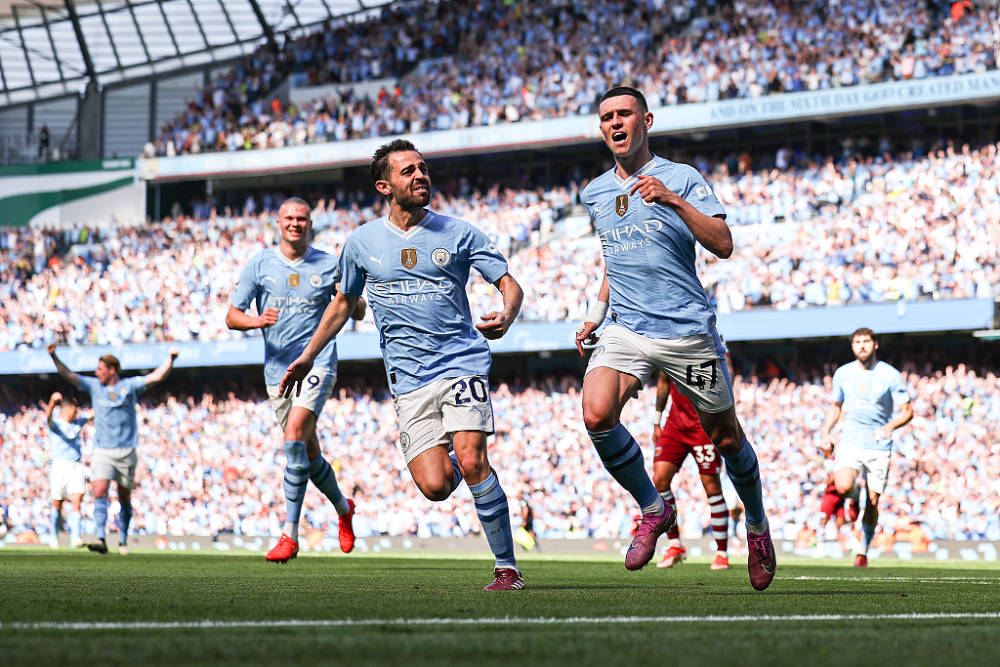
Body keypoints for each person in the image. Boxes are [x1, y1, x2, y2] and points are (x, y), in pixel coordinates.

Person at [280, 139, 526, 591]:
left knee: (474, 461)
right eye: (407, 171)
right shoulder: (361, 243)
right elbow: (344, 303)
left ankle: (506, 567)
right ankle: (458, 459)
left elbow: (509, 284)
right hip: (408, 379)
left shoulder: (459, 232)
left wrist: (507, 314)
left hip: (461, 362)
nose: (420, 176)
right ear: (384, 186)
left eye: (423, 168)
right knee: (435, 486)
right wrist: (308, 355)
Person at [575, 86, 775, 590]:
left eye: (624, 114)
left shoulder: (682, 177)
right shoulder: (595, 192)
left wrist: (672, 199)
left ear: (646, 121)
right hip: (626, 328)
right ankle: (653, 507)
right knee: (596, 414)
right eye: (606, 117)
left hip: (685, 331)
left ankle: (756, 523)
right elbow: (614, 258)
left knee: (726, 438)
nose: (615, 123)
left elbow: (723, 244)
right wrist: (596, 314)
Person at [227, 197, 363, 563]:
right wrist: (256, 321)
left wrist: (350, 299)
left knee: (293, 438)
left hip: (317, 363)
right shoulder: (260, 264)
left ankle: (290, 534)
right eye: (289, 217)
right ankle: (343, 507)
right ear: (278, 222)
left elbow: (355, 307)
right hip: (278, 372)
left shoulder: (329, 263)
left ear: (310, 224)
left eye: (301, 218)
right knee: (307, 452)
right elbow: (232, 316)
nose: (295, 223)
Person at [48, 343, 179, 554]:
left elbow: (155, 377)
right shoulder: (94, 386)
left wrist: (171, 360)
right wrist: (54, 356)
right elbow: (68, 375)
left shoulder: (130, 386)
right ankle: (101, 538)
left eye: (100, 369)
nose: (96, 372)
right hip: (102, 450)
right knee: (99, 491)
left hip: (126, 450)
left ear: (111, 370)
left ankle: (123, 541)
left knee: (124, 496)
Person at [820, 327, 913, 567]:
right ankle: (853, 497)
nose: (862, 345)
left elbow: (907, 411)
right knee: (842, 486)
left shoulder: (890, 375)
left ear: (875, 344)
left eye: (866, 341)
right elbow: (835, 406)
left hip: (878, 445)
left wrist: (889, 427)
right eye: (857, 342)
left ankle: (863, 551)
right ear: (852, 346)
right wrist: (826, 432)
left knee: (872, 501)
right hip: (850, 440)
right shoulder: (843, 373)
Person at [651, 372, 730, 570]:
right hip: (675, 425)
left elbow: (723, 380)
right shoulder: (667, 352)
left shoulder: (707, 351)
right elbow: (663, 382)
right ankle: (675, 544)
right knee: (660, 479)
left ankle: (722, 553)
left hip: (704, 425)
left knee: (712, 487)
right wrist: (656, 421)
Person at [43, 392, 91, 548]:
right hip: (59, 466)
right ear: (67, 409)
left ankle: (75, 537)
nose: (76, 412)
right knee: (57, 502)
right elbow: (48, 417)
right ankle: (54, 536)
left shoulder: (77, 423)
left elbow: (92, 414)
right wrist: (52, 401)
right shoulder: (56, 424)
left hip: (76, 465)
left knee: (77, 500)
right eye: (74, 409)